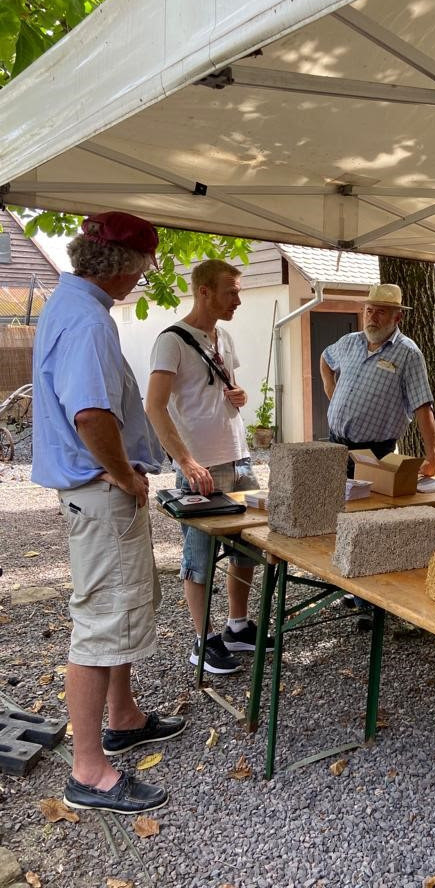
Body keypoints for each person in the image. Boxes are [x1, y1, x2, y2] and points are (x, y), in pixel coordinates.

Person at [32, 211, 184, 814]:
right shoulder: (89, 322)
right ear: (122, 265)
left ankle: (122, 717)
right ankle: (89, 770)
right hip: (101, 495)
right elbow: (91, 416)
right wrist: (124, 475)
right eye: (145, 267)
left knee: (123, 607)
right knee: (100, 623)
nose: (143, 278)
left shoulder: (73, 306)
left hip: (97, 494)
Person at [146, 260, 266, 676]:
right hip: (201, 467)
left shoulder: (224, 337)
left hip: (239, 456)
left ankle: (236, 625)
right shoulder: (171, 341)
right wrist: (186, 461)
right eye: (230, 291)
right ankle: (202, 640)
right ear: (204, 292)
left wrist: (239, 396)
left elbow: (221, 390)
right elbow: (155, 406)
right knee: (198, 557)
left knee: (246, 548)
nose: (238, 299)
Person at [320, 283, 435, 478]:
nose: (372, 318)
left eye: (381, 312)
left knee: (366, 506)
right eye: (369, 311)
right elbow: (326, 359)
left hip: (374, 454)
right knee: (331, 503)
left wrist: (433, 455)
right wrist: (331, 390)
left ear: (398, 317)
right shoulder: (350, 342)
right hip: (334, 445)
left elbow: (422, 406)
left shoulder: (408, 354)